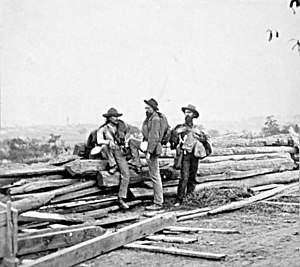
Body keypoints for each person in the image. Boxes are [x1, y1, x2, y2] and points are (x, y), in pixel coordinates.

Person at [95, 107, 141, 209]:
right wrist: (109, 142)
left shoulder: (122, 126)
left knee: (126, 174)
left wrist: (128, 138)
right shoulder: (104, 129)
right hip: (110, 152)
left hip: (120, 152)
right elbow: (99, 141)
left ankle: (121, 198)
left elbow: (133, 130)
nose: (116, 118)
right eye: (113, 117)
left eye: (116, 116)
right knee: (104, 147)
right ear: (109, 118)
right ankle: (113, 165)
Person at [170, 104, 212, 207]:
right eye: (186, 112)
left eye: (189, 113)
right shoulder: (180, 128)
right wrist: (175, 135)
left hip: (195, 155)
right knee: (184, 177)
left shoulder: (199, 128)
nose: (187, 114)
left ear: (194, 115)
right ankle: (179, 199)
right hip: (185, 154)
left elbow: (206, 140)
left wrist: (201, 138)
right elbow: (172, 143)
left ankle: (190, 197)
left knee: (192, 177)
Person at [141, 98, 167, 210]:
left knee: (155, 176)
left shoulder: (155, 119)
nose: (146, 110)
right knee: (154, 175)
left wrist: (148, 152)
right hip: (151, 147)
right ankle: (158, 201)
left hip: (153, 149)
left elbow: (154, 137)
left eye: (148, 108)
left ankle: (158, 203)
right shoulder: (151, 118)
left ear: (153, 109)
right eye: (145, 108)